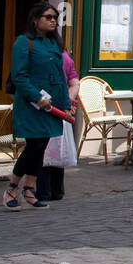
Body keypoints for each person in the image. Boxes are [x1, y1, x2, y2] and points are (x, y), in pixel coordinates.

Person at [2, 2, 70, 211]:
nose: (52, 21)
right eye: (48, 17)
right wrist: (37, 97)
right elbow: (19, 76)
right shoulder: (24, 42)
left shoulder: (54, 44)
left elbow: (60, 76)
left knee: (41, 147)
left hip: (51, 105)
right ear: (35, 19)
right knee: (34, 147)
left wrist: (65, 104)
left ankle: (29, 190)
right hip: (32, 105)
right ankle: (12, 188)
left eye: (54, 18)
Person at [35, 49, 80, 203]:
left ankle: (43, 191)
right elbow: (74, 82)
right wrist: (68, 100)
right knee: (58, 149)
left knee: (43, 148)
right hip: (61, 109)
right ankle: (57, 190)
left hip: (45, 107)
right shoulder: (66, 58)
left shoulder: (42, 56)